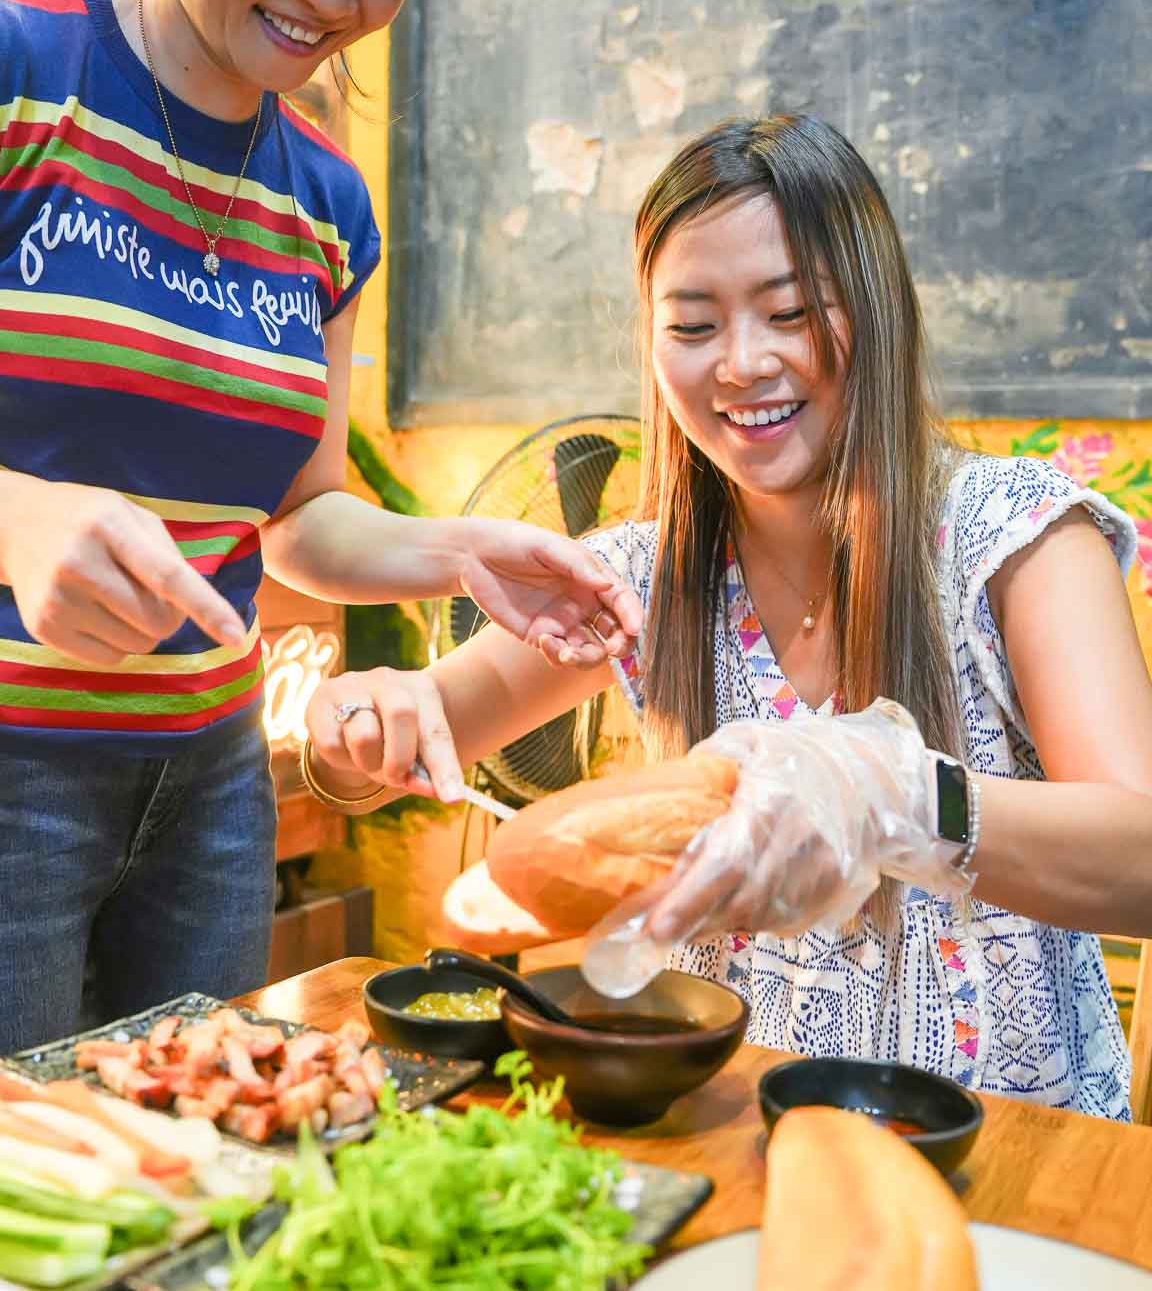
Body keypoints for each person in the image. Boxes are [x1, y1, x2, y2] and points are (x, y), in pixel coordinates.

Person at [0, 0, 641, 1075]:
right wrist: (9, 521)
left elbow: (301, 520)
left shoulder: (324, 198)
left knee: (192, 1168)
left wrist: (462, 550)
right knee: (6, 1199)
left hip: (205, 784)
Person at [304, 114, 1152, 1120]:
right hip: (740, 1140)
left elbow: (1140, 856)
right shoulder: (642, 578)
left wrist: (896, 796)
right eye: (694, 326)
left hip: (1013, 1153)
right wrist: (358, 721)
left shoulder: (1014, 539)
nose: (740, 365)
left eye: (789, 312)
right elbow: (387, 749)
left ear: (873, 309)